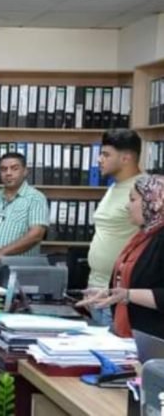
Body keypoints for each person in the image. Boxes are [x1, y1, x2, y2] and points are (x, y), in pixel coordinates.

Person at [76, 174, 164, 339]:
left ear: (153, 201)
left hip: (154, 341)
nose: (127, 206)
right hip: (129, 333)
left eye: (132, 199)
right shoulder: (143, 236)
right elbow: (133, 282)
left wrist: (127, 295)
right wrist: (110, 293)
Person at [84, 129, 144, 326]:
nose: (99, 160)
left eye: (106, 154)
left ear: (126, 158)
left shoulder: (143, 190)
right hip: (96, 289)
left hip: (118, 295)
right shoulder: (114, 187)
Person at [0, 152, 49, 284]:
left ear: (25, 171)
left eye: (14, 168)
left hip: (17, 274)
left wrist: (1, 254)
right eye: (3, 169)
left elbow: (36, 235)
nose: (8, 173)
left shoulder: (36, 198)